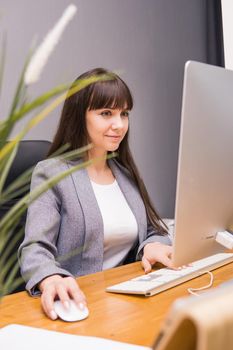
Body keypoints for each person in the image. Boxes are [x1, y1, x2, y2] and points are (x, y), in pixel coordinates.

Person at [18, 68, 172, 320]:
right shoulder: (52, 173)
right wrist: (49, 277)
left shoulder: (125, 174)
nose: (119, 124)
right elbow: (35, 248)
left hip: (128, 304)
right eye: (106, 113)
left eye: (124, 113)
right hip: (80, 304)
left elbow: (153, 229)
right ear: (80, 117)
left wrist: (152, 246)